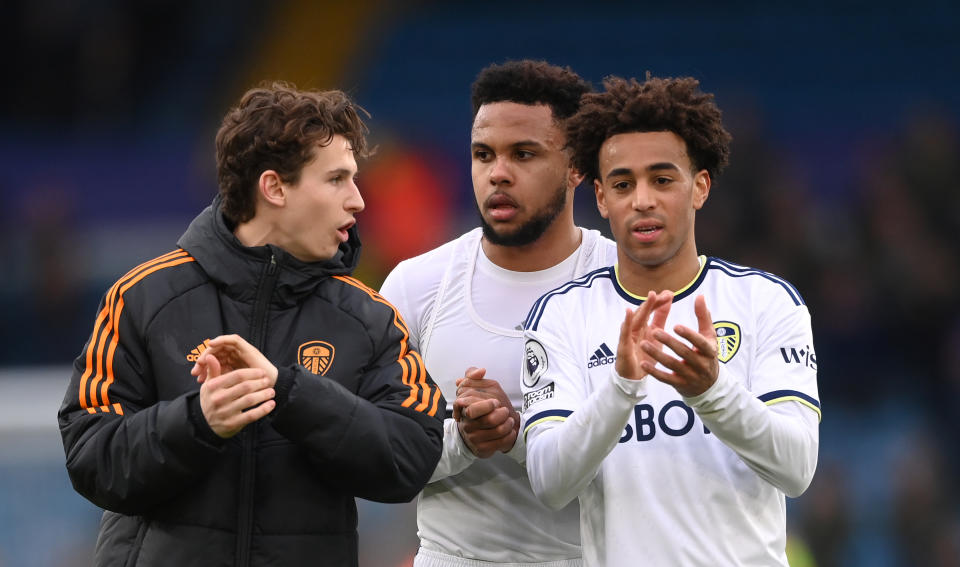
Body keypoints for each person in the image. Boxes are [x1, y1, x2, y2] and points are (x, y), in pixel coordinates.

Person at [58, 82, 445, 567]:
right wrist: (198, 421)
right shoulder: (142, 296)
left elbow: (412, 457)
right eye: (337, 180)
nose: (359, 200)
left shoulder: (370, 317)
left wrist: (289, 393)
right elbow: (91, 458)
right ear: (275, 187)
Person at [520, 75, 821, 566]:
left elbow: (797, 468)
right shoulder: (562, 316)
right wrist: (619, 389)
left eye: (662, 180)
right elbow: (550, 484)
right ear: (600, 198)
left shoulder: (766, 301)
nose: (642, 200)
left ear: (699, 186)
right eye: (622, 184)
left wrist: (712, 392)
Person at [378, 60, 617, 566]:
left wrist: (520, 436)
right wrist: (462, 439)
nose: (497, 173)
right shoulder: (416, 286)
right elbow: (381, 458)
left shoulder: (628, 284)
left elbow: (660, 458)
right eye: (482, 154)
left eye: (523, 154)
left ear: (577, 166)